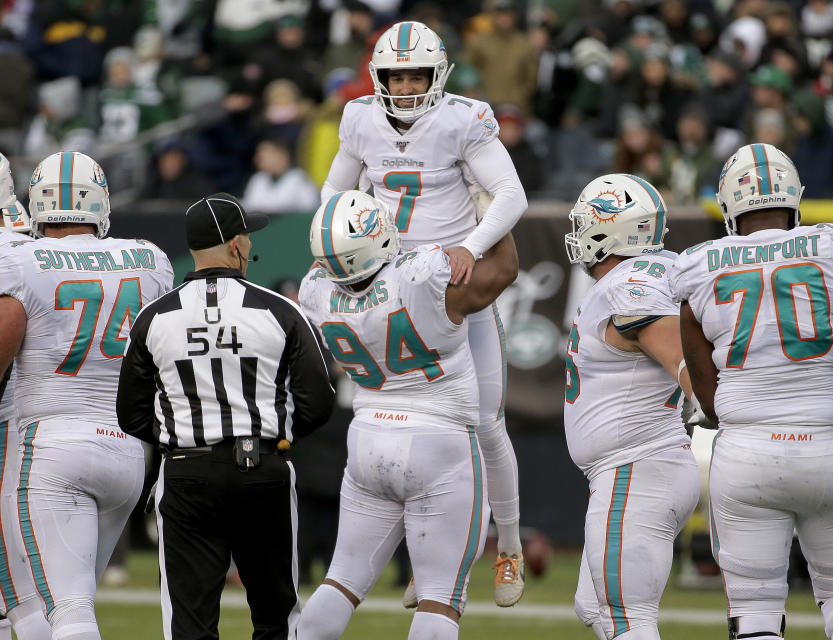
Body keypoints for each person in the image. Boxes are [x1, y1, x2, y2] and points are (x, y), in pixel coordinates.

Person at [670, 143, 833, 640]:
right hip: (827, 447)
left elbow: (708, 395)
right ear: (794, 199)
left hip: (745, 451)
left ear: (728, 205)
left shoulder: (697, 265)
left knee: (755, 609)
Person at [320, 20, 529, 606]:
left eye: (416, 74)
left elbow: (512, 195)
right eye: (396, 75)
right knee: (389, 419)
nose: (407, 85)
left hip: (452, 286)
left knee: (484, 421)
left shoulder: (465, 118)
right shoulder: (360, 118)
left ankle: (507, 544)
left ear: (438, 76)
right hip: (387, 289)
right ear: (380, 77)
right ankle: (433, 553)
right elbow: (332, 195)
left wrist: (470, 245)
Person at [296, 189, 518, 640]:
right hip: (440, 440)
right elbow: (504, 270)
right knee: (440, 597)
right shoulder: (422, 277)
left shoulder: (314, 292)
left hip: (367, 440)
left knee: (341, 581)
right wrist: (487, 211)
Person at [115, 192, 335, 640]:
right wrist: (276, 439)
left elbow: (130, 412)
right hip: (262, 469)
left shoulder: (154, 316)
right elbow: (318, 400)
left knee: (190, 625)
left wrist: (180, 441)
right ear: (236, 245)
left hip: (186, 473)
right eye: (247, 238)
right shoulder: (278, 309)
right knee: (277, 620)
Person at [0, 151, 173, 640]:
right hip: (126, 451)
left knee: (62, 611)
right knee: (65, 607)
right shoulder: (149, 257)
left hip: (51, 447)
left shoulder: (19, 259)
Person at [563, 174, 702, 640]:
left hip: (637, 467)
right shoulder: (665, 268)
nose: (579, 234)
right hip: (641, 466)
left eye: (587, 224)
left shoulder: (629, 284)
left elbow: (681, 356)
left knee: (626, 618)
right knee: (595, 607)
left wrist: (700, 392)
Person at [0, 155, 51, 640]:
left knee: (14, 588)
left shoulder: (8, 254)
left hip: (7, 420)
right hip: (41, 414)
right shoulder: (29, 241)